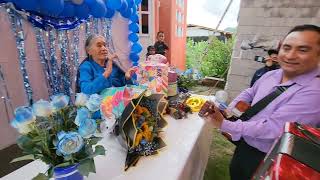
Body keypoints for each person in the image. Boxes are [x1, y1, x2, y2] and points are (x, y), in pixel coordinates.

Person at [202, 24, 320, 180]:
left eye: (303, 50)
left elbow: (274, 128)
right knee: (236, 172)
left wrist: (225, 124)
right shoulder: (273, 75)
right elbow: (250, 92)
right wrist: (229, 112)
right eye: (286, 47)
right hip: (246, 144)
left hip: (270, 157)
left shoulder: (315, 92)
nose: (291, 55)